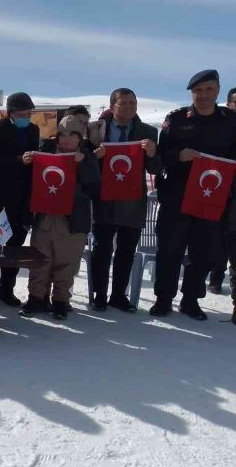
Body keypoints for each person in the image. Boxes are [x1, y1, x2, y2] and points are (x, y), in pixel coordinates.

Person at [151, 70, 236, 320]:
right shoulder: (176, 120)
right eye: (198, 91)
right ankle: (163, 299)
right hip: (177, 197)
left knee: (203, 253)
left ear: (218, 90)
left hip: (213, 199)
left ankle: (190, 301)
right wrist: (178, 156)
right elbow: (159, 158)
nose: (203, 95)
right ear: (191, 93)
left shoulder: (231, 121)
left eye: (208, 89)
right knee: (169, 251)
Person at [20, 116, 101, 319]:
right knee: (40, 259)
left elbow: (95, 189)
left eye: (72, 135)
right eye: (62, 135)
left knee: (67, 263)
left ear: (79, 138)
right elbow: (28, 181)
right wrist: (27, 162)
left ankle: (61, 301)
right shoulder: (46, 152)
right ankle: (36, 298)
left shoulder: (88, 157)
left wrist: (81, 165)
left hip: (72, 220)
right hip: (46, 217)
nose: (66, 140)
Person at [89, 88, 160, 312]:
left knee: (127, 250)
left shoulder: (148, 131)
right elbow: (83, 165)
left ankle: (119, 295)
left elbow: (156, 168)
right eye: (123, 103)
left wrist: (152, 153)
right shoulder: (94, 129)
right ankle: (99, 294)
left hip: (132, 201)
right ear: (112, 106)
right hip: (104, 199)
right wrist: (94, 157)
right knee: (101, 249)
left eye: (132, 103)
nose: (129, 107)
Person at [0, 92, 40, 308]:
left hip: (22, 198)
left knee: (14, 248)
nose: (26, 117)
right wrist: (19, 160)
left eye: (29, 113)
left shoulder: (33, 129)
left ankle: (7, 290)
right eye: (22, 113)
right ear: (11, 112)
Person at [207, 85, 236, 294]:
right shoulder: (220, 123)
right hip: (216, 186)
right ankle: (216, 277)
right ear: (229, 104)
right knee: (217, 237)